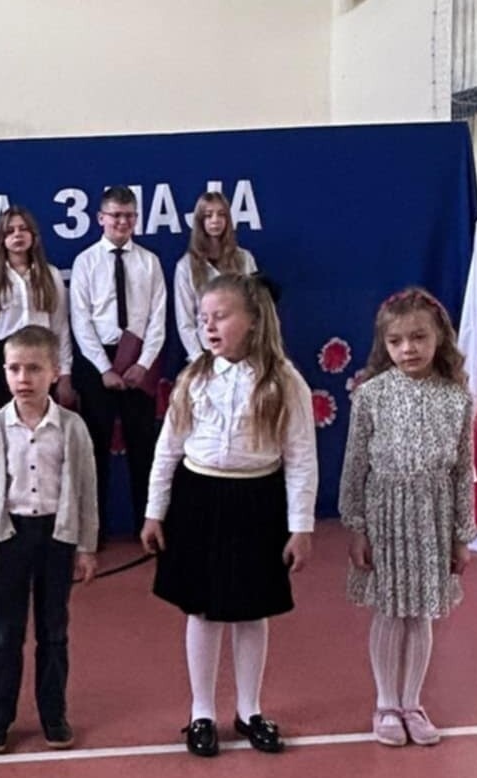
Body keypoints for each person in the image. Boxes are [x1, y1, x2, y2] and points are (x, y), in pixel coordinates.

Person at [140, 273, 316, 758]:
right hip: (199, 501)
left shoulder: (285, 382)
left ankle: (249, 709)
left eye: (221, 317)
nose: (210, 327)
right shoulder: (193, 379)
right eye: (204, 319)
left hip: (257, 502)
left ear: (254, 320)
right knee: (202, 609)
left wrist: (300, 527)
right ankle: (201, 712)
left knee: (251, 611)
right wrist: (154, 512)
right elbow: (167, 450)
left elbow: (301, 458)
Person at [340, 287, 476, 747]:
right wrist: (356, 526)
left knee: (420, 614)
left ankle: (411, 702)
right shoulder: (371, 395)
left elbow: (463, 470)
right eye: (396, 341)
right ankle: (385, 704)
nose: (408, 349)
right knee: (390, 610)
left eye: (419, 337)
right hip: (385, 515)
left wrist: (461, 535)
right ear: (385, 345)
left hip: (433, 516)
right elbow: (355, 465)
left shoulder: (456, 398)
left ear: (439, 338)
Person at [0, 324, 98, 754]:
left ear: (54, 372)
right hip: (10, 537)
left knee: (53, 630)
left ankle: (53, 714)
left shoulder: (72, 428)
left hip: (56, 537)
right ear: (3, 371)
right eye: (14, 369)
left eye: (34, 369)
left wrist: (86, 547)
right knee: (5, 632)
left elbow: (86, 490)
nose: (23, 378)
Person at [69, 186, 167, 535]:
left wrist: (143, 364)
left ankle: (148, 527)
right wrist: (104, 368)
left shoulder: (149, 262)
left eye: (129, 216)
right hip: (98, 362)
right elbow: (80, 321)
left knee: (144, 447)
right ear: (101, 218)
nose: (122, 222)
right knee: (95, 449)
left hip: (139, 358)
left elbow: (158, 319)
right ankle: (93, 531)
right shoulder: (86, 261)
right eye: (115, 215)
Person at [0, 206, 74, 409]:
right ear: (2, 239)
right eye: (10, 231)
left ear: (33, 235)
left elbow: (60, 327)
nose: (17, 235)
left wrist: (65, 374)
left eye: (23, 229)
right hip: (3, 358)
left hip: (43, 354)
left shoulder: (51, 274)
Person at [173, 191, 258, 361]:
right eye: (208, 215)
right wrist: (198, 358)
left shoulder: (244, 259)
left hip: (243, 350)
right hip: (207, 352)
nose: (215, 220)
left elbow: (256, 306)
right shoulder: (186, 266)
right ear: (200, 221)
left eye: (221, 214)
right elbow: (185, 321)